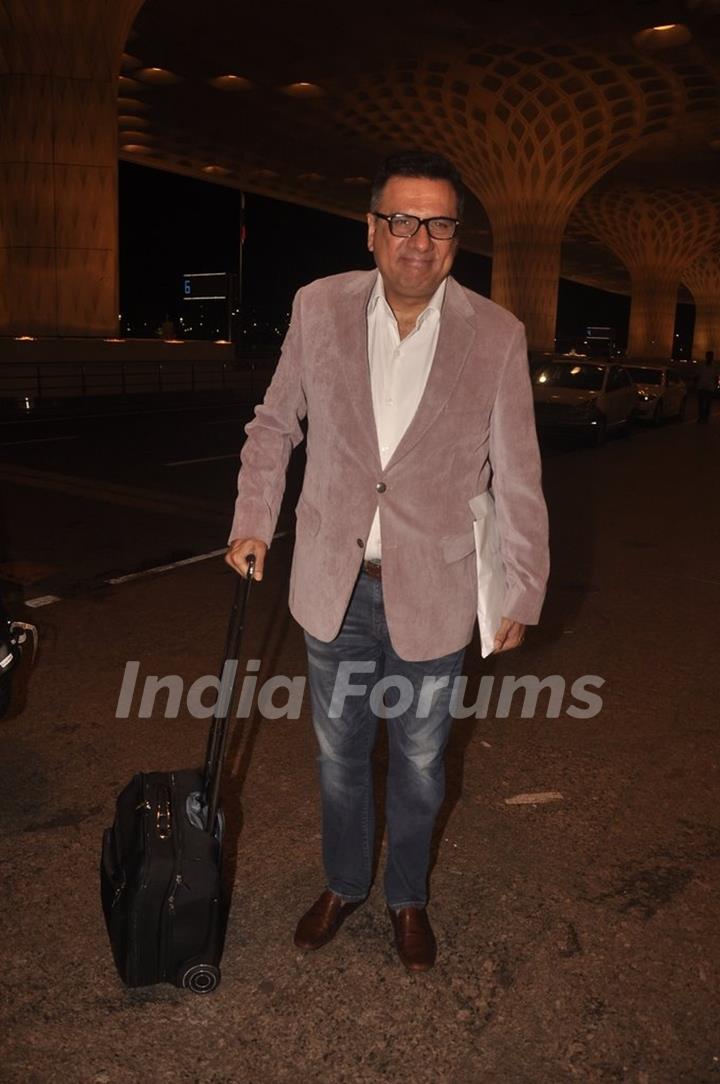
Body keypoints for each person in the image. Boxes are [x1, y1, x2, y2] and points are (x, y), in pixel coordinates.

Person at [226, 151, 549, 972]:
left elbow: (518, 471)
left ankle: (406, 897)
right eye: (402, 220)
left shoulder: (497, 335)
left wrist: (522, 584)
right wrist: (253, 519)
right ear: (371, 229)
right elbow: (274, 424)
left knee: (418, 762)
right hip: (335, 587)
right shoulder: (319, 307)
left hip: (435, 590)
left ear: (453, 239)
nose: (419, 239)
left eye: (437, 223)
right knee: (338, 756)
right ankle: (344, 882)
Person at [697, 350, 717, 423]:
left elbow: (715, 377)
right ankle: (700, 417)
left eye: (710, 356)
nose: (709, 357)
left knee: (708, 404)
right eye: (708, 356)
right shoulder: (702, 365)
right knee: (701, 404)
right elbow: (699, 375)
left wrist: (714, 387)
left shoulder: (714, 367)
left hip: (709, 388)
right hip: (701, 387)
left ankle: (705, 418)